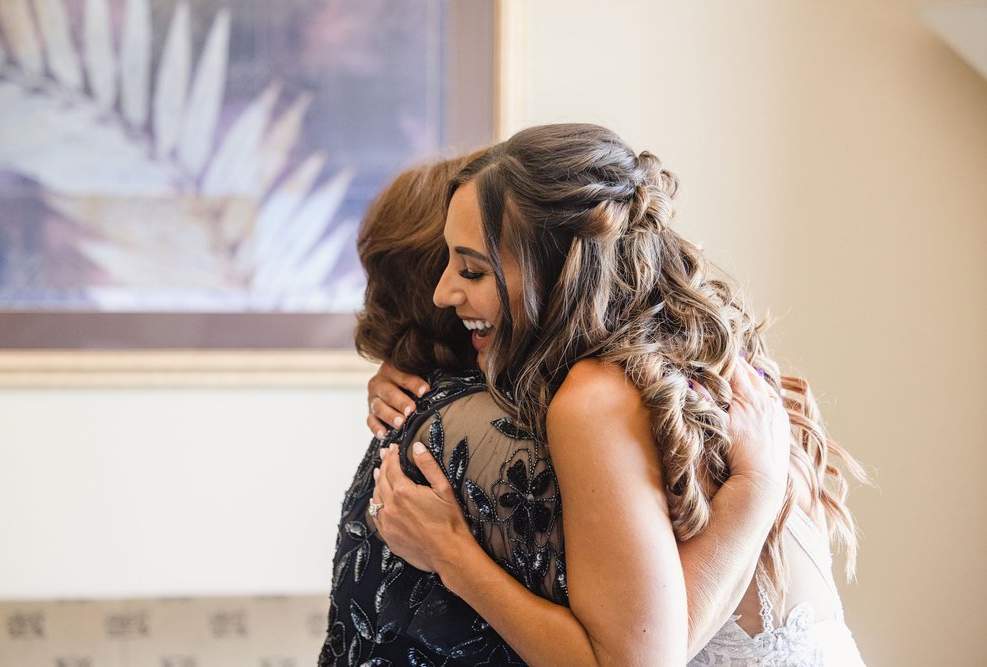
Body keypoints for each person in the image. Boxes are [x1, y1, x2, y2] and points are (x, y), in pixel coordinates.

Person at [368, 124, 868, 665]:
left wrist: (451, 555)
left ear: (559, 270)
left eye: (472, 269)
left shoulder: (596, 398)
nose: (443, 293)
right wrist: (404, 359)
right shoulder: (701, 355)